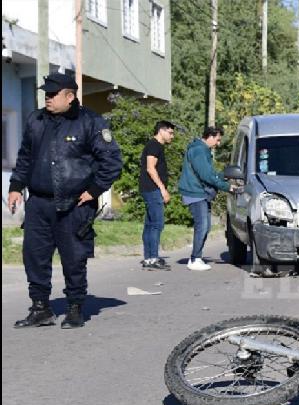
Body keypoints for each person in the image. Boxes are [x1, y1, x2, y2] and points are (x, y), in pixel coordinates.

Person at [7, 73, 122, 329]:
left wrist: (94, 190)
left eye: (52, 94)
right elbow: (25, 157)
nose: (46, 97)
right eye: (45, 93)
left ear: (70, 96)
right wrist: (16, 186)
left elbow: (112, 161)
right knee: (34, 257)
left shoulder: (90, 121)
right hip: (38, 203)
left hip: (74, 205)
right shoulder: (36, 120)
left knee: (73, 258)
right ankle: (41, 309)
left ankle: (74, 308)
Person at [178, 126, 230, 271]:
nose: (218, 144)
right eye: (218, 140)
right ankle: (195, 259)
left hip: (199, 192)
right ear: (210, 137)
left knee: (205, 226)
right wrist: (227, 187)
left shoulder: (201, 150)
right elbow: (206, 175)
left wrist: (222, 176)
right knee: (202, 226)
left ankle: (196, 257)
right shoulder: (200, 150)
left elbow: (209, 173)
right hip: (195, 192)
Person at [140, 120, 175, 270]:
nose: (172, 136)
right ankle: (153, 258)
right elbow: (150, 168)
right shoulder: (154, 145)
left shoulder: (155, 146)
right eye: (170, 132)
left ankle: (148, 258)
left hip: (149, 189)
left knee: (149, 225)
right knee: (157, 224)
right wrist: (163, 189)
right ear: (161, 130)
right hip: (153, 190)